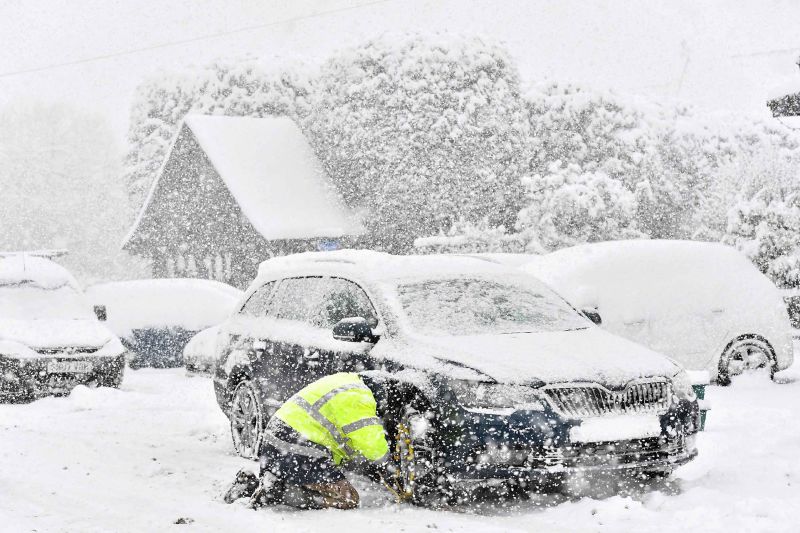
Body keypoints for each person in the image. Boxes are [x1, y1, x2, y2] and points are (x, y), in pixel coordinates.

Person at [223, 372, 393, 510]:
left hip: (277, 440)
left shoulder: (345, 381)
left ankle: (252, 485)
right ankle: (277, 494)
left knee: (302, 479)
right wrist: (391, 467)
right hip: (299, 448)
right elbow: (373, 447)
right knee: (349, 498)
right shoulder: (360, 397)